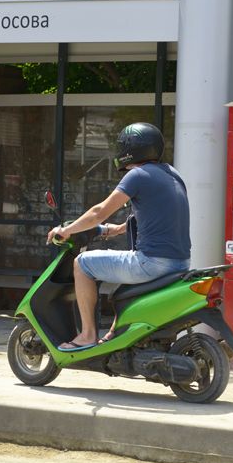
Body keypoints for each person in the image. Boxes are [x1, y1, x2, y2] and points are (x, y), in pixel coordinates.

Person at [46, 122, 190, 351]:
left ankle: (87, 335)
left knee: (82, 264)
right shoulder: (171, 173)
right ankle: (114, 335)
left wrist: (67, 230)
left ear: (131, 149)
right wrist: (110, 231)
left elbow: (98, 212)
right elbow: (141, 220)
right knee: (122, 289)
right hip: (180, 263)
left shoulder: (138, 175)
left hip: (151, 262)